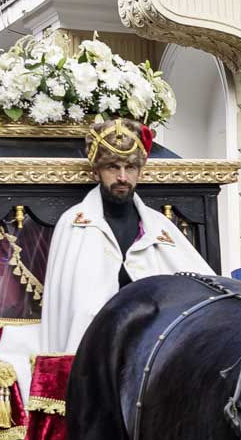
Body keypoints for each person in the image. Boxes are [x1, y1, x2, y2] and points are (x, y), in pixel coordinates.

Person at [37, 118, 214, 358]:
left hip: (152, 348)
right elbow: (64, 309)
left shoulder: (160, 228)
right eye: (113, 167)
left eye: (129, 168)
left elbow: (199, 287)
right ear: (97, 170)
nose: (122, 177)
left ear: (140, 171)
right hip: (94, 351)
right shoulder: (74, 224)